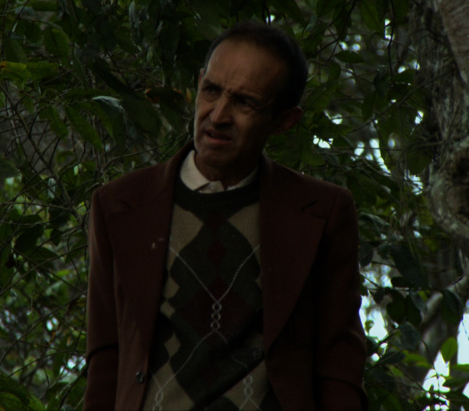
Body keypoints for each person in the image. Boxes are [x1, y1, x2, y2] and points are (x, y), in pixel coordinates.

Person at [84, 21, 367, 410]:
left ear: (284, 120)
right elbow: (106, 356)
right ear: (198, 83)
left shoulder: (321, 212)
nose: (217, 116)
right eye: (211, 90)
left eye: (245, 102)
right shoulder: (120, 205)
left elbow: (339, 361)